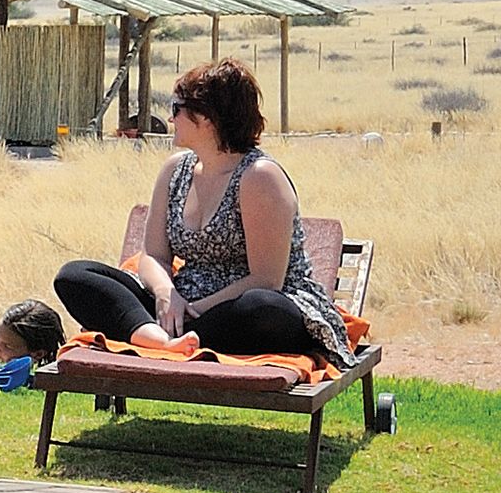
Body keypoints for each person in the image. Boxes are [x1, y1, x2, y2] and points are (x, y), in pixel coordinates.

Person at [53, 57, 355, 362]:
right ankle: (159, 338)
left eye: (176, 108)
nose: (170, 119)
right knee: (75, 276)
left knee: (263, 308)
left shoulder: (259, 177)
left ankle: (165, 336)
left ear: (207, 117)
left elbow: (267, 279)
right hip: (181, 303)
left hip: (240, 307)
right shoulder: (175, 171)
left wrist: (194, 309)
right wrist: (167, 297)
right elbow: (153, 255)